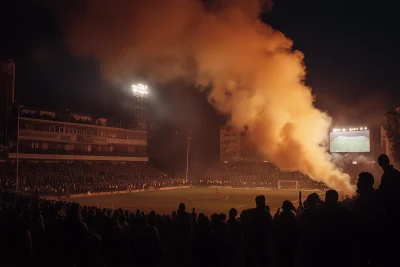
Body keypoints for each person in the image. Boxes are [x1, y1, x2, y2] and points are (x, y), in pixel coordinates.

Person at [242, 195, 273, 267]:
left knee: (251, 261)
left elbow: (244, 224)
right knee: (262, 260)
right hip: (263, 241)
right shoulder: (267, 214)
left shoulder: (249, 212)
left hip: (252, 241)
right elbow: (271, 227)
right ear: (264, 203)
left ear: (256, 202)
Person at [273, 200, 297, 267]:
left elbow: (274, 230)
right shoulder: (293, 217)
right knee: (290, 261)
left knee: (280, 261)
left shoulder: (279, 218)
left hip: (280, 244)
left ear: (283, 208)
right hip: (291, 244)